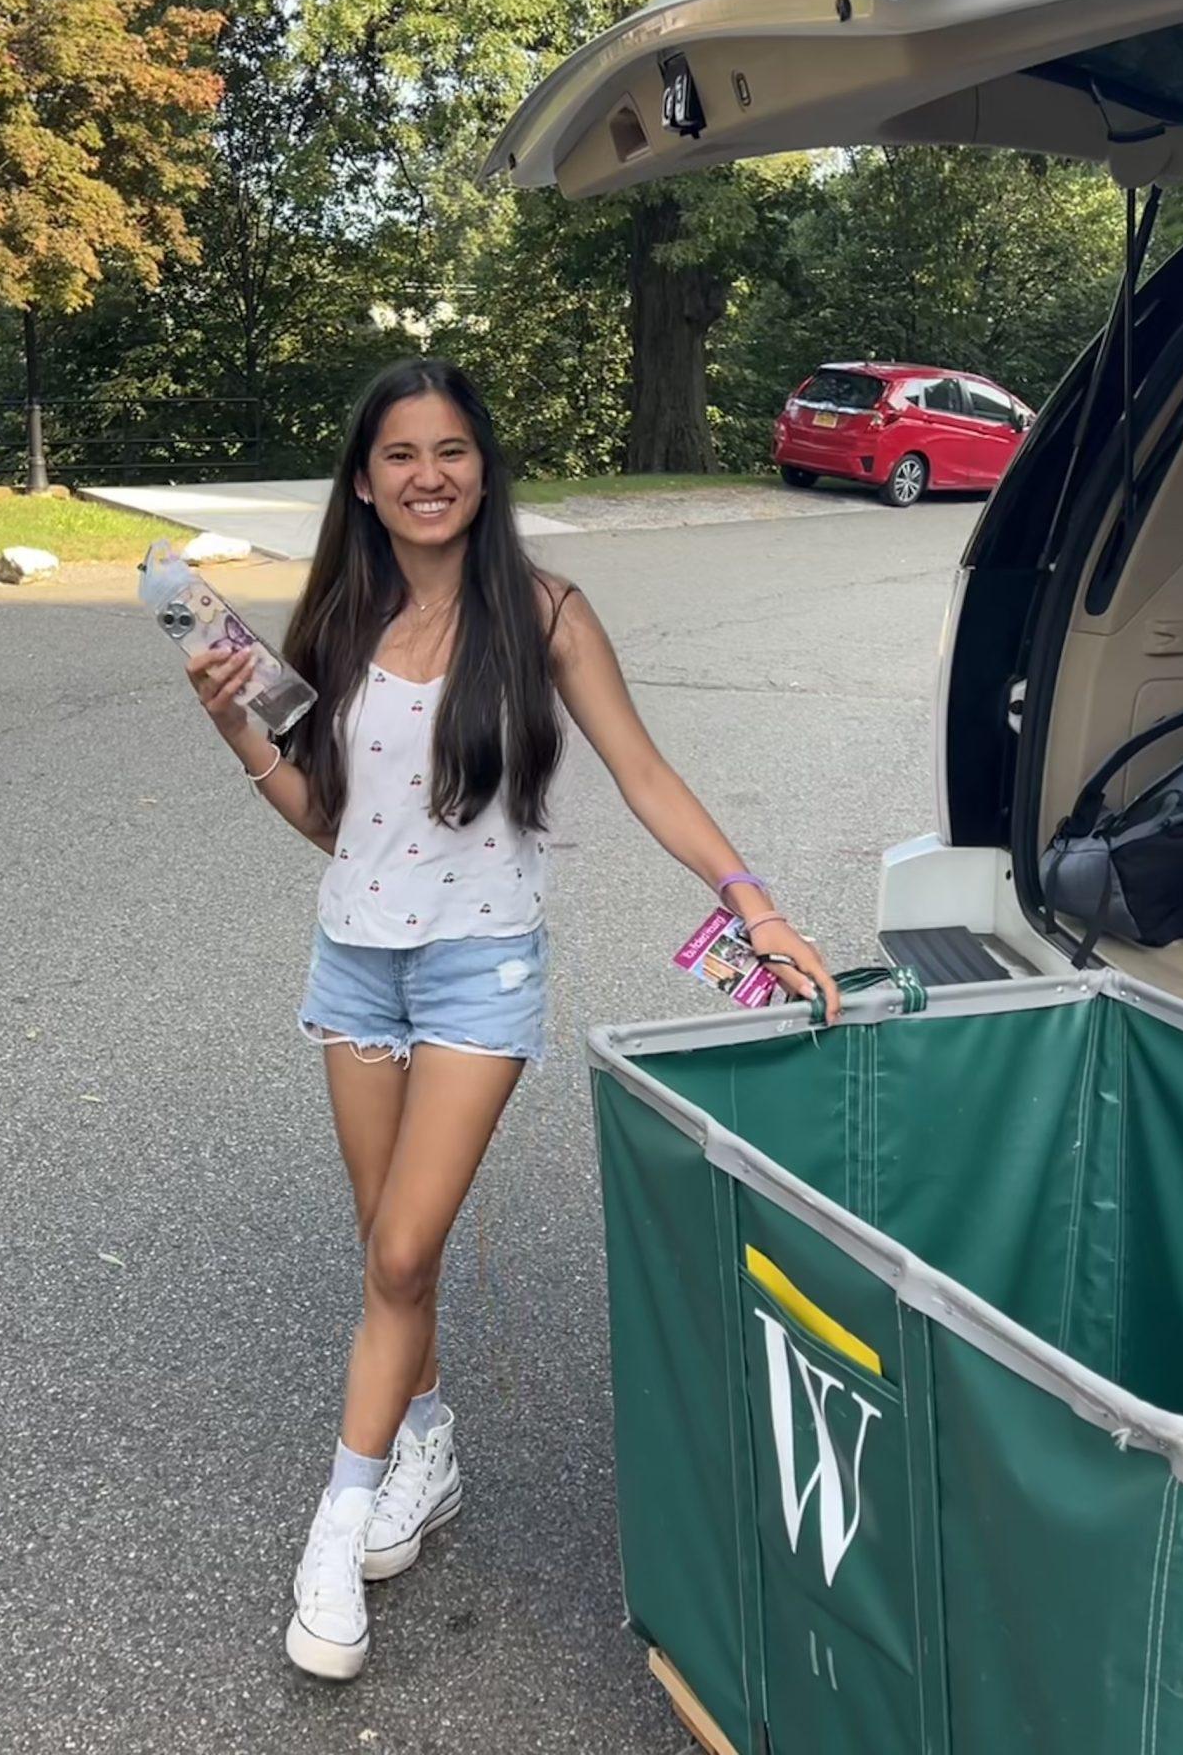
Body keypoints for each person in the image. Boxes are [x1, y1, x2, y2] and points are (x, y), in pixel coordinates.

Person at [178, 358, 842, 1682]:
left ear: (485, 469)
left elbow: (644, 772)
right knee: (390, 1253)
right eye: (400, 455)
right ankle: (423, 1446)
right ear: (362, 484)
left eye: (452, 450)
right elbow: (328, 822)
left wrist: (753, 901)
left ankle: (338, 1525)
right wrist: (242, 733)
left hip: (480, 973)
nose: (428, 474)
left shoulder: (543, 617)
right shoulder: (339, 617)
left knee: (405, 1248)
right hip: (355, 970)